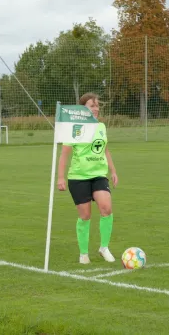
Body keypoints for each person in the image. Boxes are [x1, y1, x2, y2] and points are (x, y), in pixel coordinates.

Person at [57, 92, 118, 265]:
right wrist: (60, 177)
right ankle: (83, 253)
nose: (96, 108)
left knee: (106, 208)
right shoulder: (74, 128)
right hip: (78, 177)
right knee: (85, 216)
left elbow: (105, 150)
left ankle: (104, 248)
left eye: (97, 105)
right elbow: (64, 155)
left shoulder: (101, 127)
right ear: (83, 109)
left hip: (99, 175)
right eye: (92, 105)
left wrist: (113, 171)